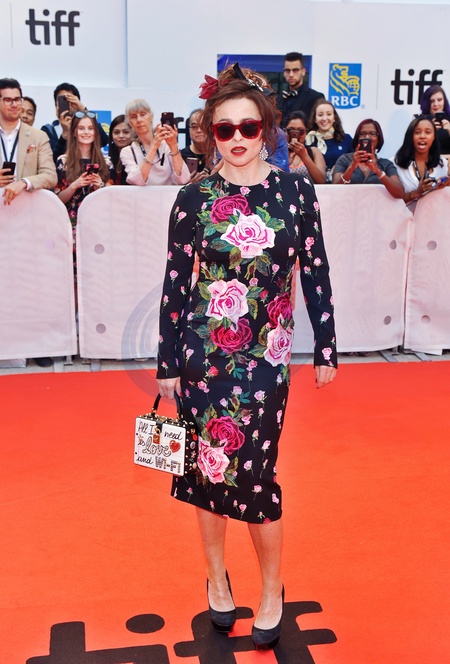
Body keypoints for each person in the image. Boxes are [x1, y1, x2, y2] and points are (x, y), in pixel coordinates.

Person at [156, 64, 337, 651]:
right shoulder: (192, 198)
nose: (237, 138)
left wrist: (326, 345)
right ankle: (216, 578)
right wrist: (166, 363)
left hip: (266, 357)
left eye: (249, 127)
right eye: (224, 128)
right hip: (201, 355)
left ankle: (271, 588)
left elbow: (315, 271)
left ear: (268, 131)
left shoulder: (295, 192)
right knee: (205, 470)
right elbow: (176, 285)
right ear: (211, 133)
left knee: (256, 475)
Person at [0, 77, 57, 367]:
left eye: (17, 99)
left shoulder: (37, 136)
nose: (14, 104)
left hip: (29, 223)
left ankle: (38, 346)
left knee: (32, 284)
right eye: (8, 99)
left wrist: (23, 182)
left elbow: (50, 175)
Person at [55, 111, 113, 274]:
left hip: (98, 225)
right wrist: (74, 185)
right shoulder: (63, 161)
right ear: (74, 132)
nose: (86, 132)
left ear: (96, 132)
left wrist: (99, 186)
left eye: (90, 128)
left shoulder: (106, 162)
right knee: (70, 272)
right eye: (81, 128)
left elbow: (112, 199)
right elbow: (57, 199)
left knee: (96, 272)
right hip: (70, 224)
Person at [120, 99, 190, 186]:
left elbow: (183, 179)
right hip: (143, 195)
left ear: (151, 116)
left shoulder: (166, 145)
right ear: (130, 123)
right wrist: (154, 147)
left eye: (143, 114)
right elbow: (137, 181)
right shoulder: (128, 151)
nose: (139, 120)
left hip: (169, 194)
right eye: (134, 117)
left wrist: (173, 145)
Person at [332, 118, 404, 198]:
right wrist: (352, 166)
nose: (367, 137)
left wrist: (377, 171)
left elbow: (400, 193)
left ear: (379, 138)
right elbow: (334, 189)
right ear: (357, 137)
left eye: (372, 133)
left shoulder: (386, 164)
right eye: (362, 133)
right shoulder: (344, 160)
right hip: (348, 205)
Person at [41, 82, 109, 161]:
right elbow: (52, 159)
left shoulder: (86, 127)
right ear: (56, 105)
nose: (68, 105)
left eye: (70, 100)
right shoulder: (48, 130)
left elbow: (103, 141)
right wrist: (65, 133)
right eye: (63, 101)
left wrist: (83, 110)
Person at [394, 115, 449, 210]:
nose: (422, 136)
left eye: (428, 132)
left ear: (434, 137)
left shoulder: (442, 163)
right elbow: (391, 200)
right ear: (410, 136)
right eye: (417, 132)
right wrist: (417, 193)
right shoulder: (396, 163)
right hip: (403, 217)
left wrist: (446, 184)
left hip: (433, 216)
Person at [305, 100, 353, 181]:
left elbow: (354, 163)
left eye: (329, 114)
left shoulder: (346, 139)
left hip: (340, 185)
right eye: (320, 115)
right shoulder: (308, 140)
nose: (324, 118)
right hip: (315, 185)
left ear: (334, 118)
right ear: (315, 119)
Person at [277, 51, 324, 129]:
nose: (291, 74)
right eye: (287, 70)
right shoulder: (279, 99)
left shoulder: (316, 97)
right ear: (284, 73)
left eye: (295, 70)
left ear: (303, 71)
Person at [285, 111, 326, 184]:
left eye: (300, 131)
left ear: (306, 132)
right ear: (284, 131)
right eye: (290, 130)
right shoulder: (277, 152)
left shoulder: (314, 152)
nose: (295, 134)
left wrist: (304, 156)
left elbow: (321, 181)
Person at [420, 85, 450, 156]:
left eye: (439, 100)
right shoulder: (420, 121)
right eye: (432, 101)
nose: (436, 104)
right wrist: (429, 131)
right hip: (428, 159)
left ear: (444, 101)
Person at [181, 108, 210, 183]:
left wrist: (211, 181)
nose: (199, 130)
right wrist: (188, 184)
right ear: (189, 130)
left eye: (203, 125)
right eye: (194, 127)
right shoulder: (180, 156)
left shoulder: (218, 155)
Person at [108, 114, 133, 185]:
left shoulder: (138, 157)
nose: (121, 136)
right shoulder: (108, 159)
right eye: (116, 132)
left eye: (126, 132)